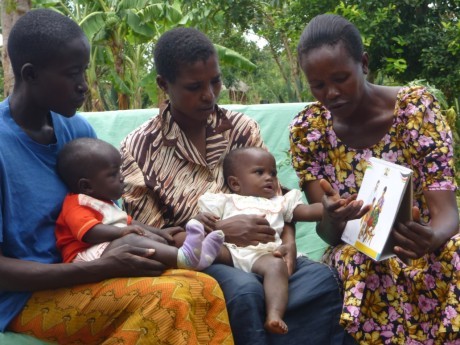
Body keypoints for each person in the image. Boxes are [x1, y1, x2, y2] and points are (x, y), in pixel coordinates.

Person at [0, 9, 232, 344]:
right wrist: (97, 268)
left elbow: (105, 213)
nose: (83, 86)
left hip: (87, 273)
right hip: (27, 297)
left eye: (85, 71)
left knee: (206, 287)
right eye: (72, 74)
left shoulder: (77, 131)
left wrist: (155, 235)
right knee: (170, 298)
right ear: (31, 74)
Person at [121, 26, 354, 344]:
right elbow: (152, 236)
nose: (209, 95)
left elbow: (276, 199)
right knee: (244, 291)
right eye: (194, 86)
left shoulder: (241, 129)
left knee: (321, 279)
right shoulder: (138, 149)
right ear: (164, 85)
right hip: (203, 261)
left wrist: (288, 244)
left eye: (215, 81)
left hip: (265, 249)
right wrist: (220, 233)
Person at [289, 13, 460, 344]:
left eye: (341, 78)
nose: (331, 93)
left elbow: (447, 214)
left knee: (455, 252)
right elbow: (328, 234)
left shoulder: (414, 111)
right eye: (318, 85)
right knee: (364, 263)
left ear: (364, 64)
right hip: (357, 250)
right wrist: (331, 216)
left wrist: (431, 237)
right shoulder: (308, 132)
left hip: (423, 238)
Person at [196, 147, 323, 334]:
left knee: (277, 267)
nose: (269, 177)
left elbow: (308, 212)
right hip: (229, 251)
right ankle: (190, 258)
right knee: (206, 245)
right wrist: (200, 219)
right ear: (235, 183)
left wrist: (329, 207)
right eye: (259, 172)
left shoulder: (280, 202)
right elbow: (207, 222)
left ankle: (274, 315)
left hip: (263, 255)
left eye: (273, 173)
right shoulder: (224, 200)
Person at [55, 137, 224, 270]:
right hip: (85, 258)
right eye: (113, 174)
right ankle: (185, 258)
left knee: (156, 239)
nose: (121, 177)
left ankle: (197, 260)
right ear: (86, 186)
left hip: (105, 248)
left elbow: (129, 222)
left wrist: (159, 232)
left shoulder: (104, 202)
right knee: (132, 240)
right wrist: (122, 233)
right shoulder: (76, 204)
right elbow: (89, 232)